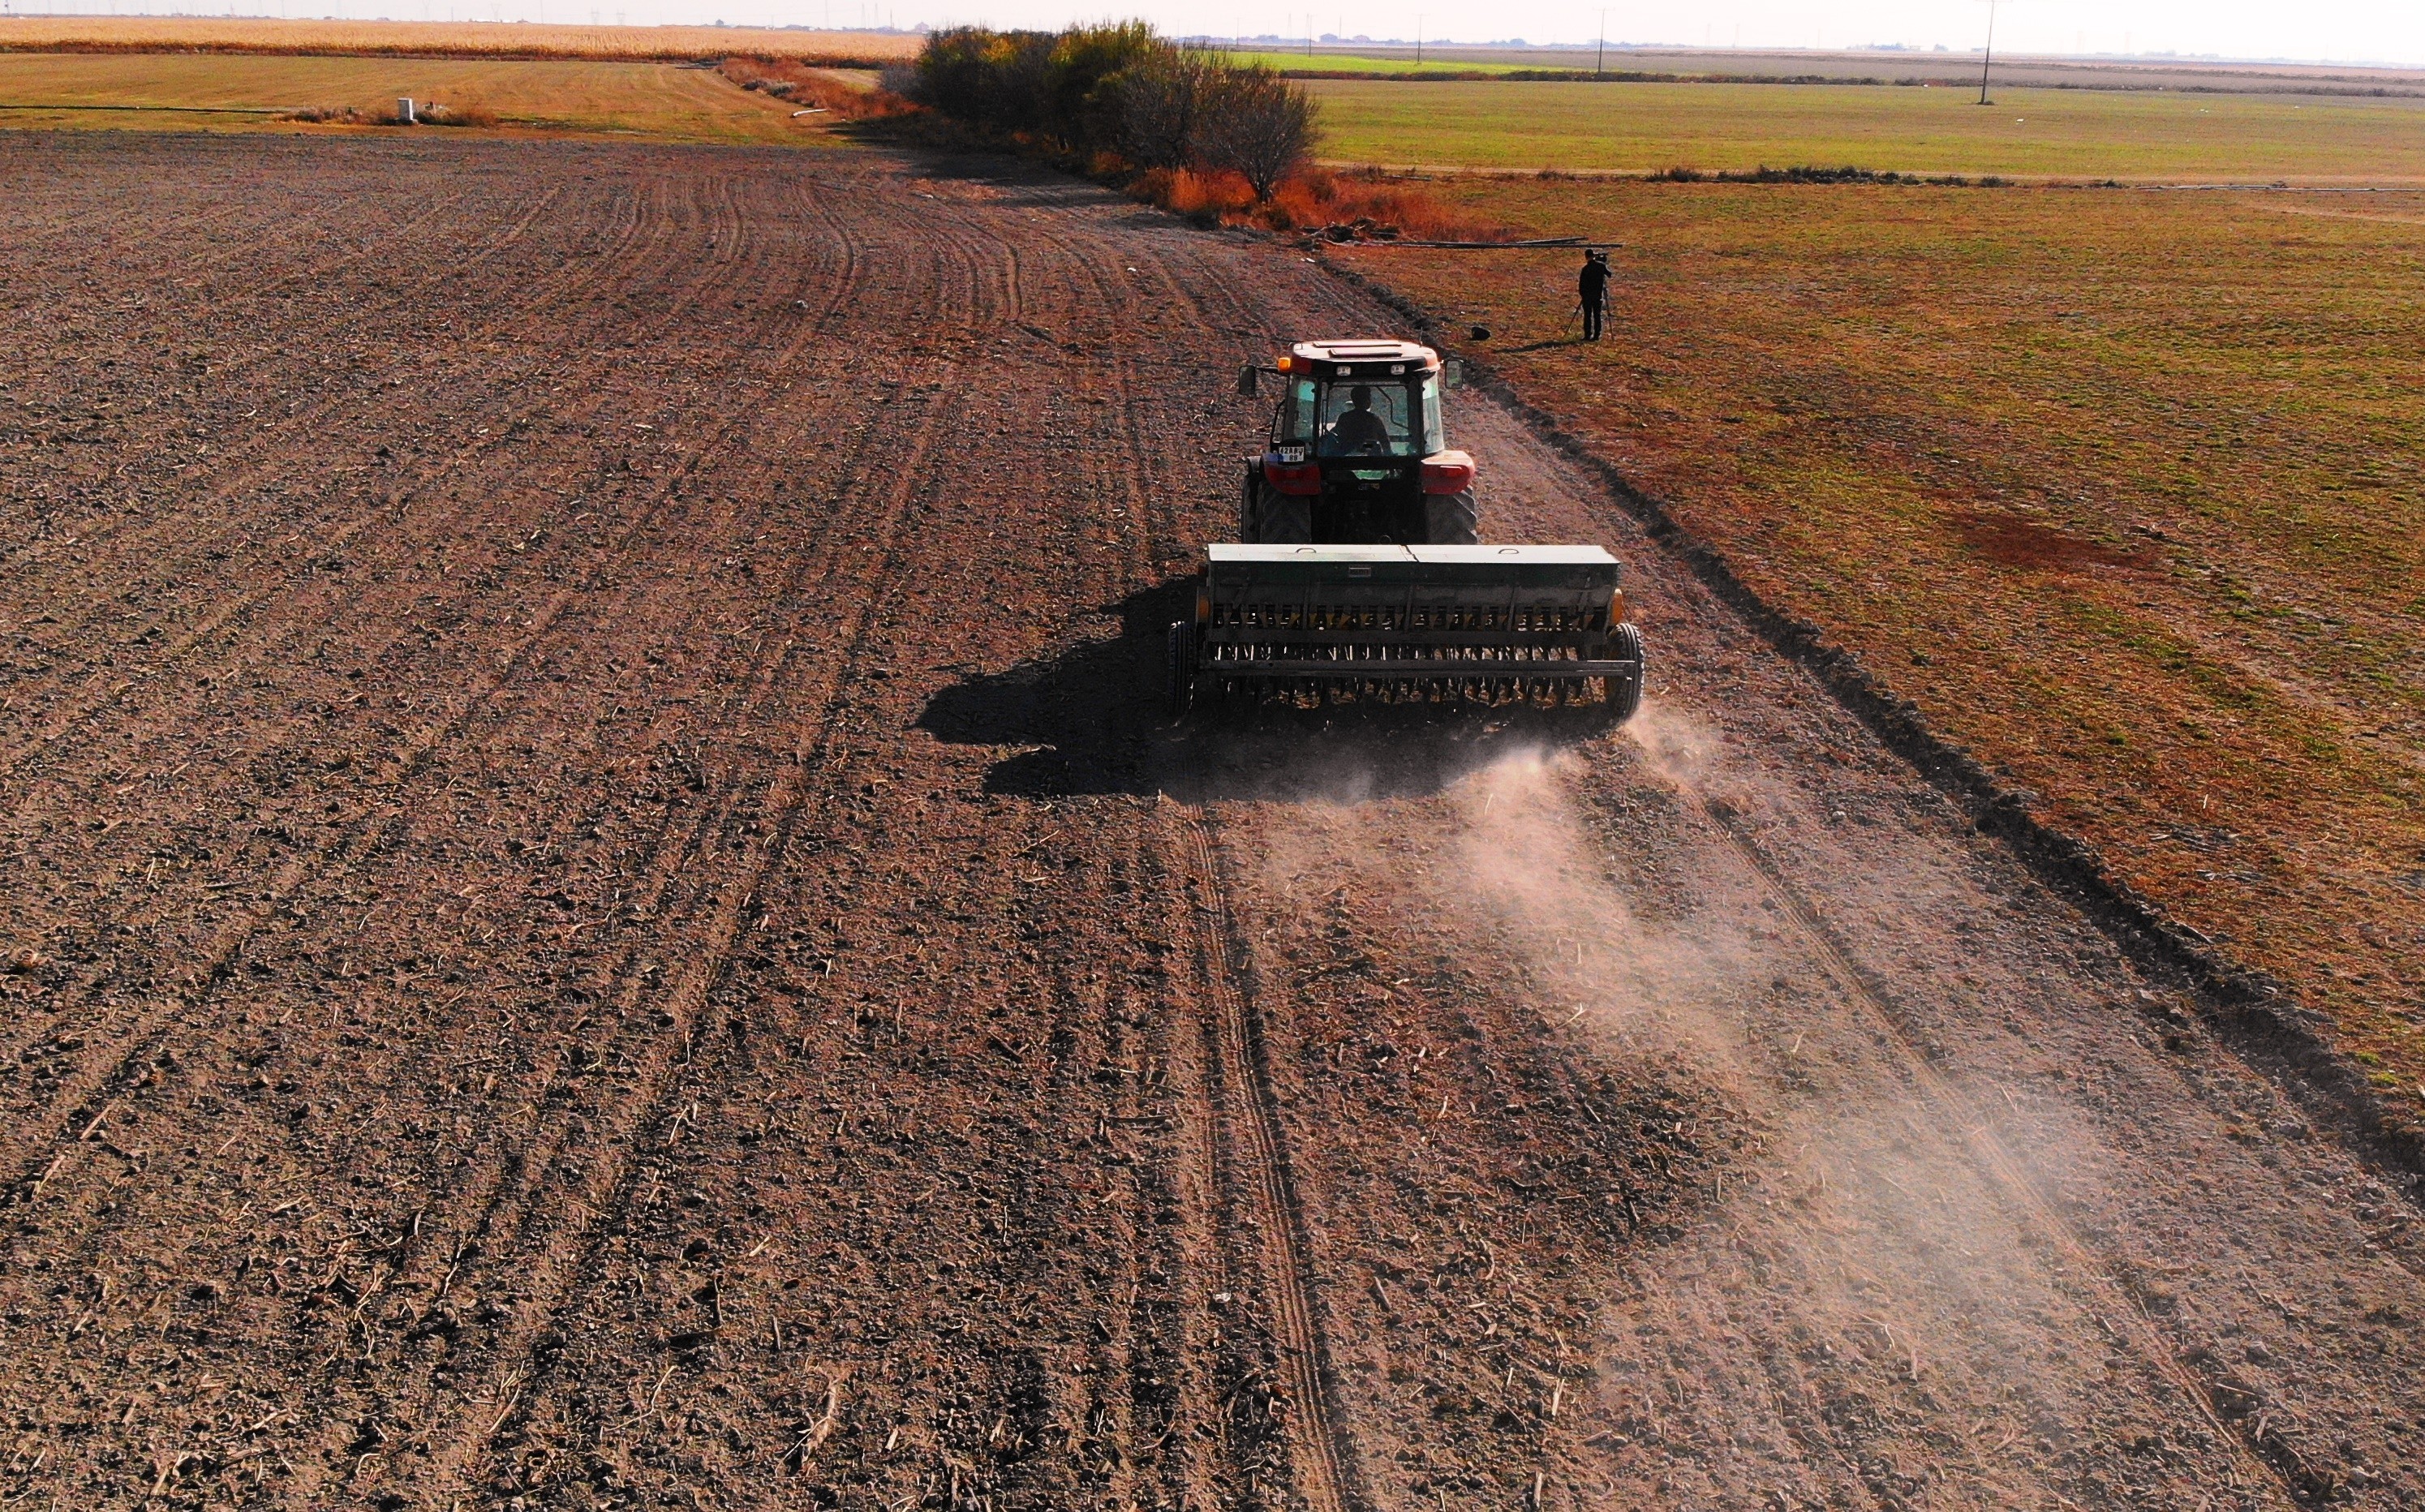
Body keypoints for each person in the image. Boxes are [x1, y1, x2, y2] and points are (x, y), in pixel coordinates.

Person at [1326, 384, 1393, 453]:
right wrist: (1389, 455)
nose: (1370, 400)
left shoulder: (1345, 417)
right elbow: (1384, 441)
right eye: (1368, 397)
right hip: (1371, 460)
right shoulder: (1373, 419)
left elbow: (1337, 434)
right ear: (1366, 400)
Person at [1577, 248, 1610, 341]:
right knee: (1597, 315)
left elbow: (1581, 284)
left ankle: (1587, 335)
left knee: (1587, 316)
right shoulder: (1601, 266)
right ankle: (1596, 335)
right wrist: (1604, 263)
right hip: (1598, 295)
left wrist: (1583, 295)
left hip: (1587, 296)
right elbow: (1609, 274)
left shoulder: (1585, 269)